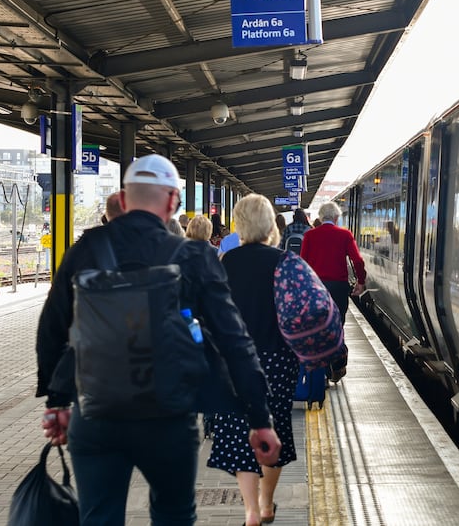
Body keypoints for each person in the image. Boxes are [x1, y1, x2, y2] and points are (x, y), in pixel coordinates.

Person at [35, 154, 281, 526]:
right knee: (173, 515)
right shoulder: (191, 255)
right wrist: (260, 418)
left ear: (124, 198)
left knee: (97, 517)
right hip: (169, 418)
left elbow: (52, 329)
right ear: (172, 202)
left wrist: (57, 402)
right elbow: (234, 341)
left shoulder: (87, 247)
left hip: (97, 414)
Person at [207, 194, 299, 526]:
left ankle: (250, 510)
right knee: (274, 426)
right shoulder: (285, 261)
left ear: (240, 224)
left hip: (235, 360)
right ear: (271, 224)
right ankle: (266, 502)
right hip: (278, 359)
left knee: (237, 431)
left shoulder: (225, 262)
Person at [300, 201, 366, 324]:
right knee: (338, 320)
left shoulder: (309, 235)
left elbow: (302, 263)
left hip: (316, 286)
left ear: (321, 217)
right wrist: (361, 281)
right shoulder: (345, 235)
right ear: (336, 217)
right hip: (339, 287)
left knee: (317, 322)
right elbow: (358, 261)